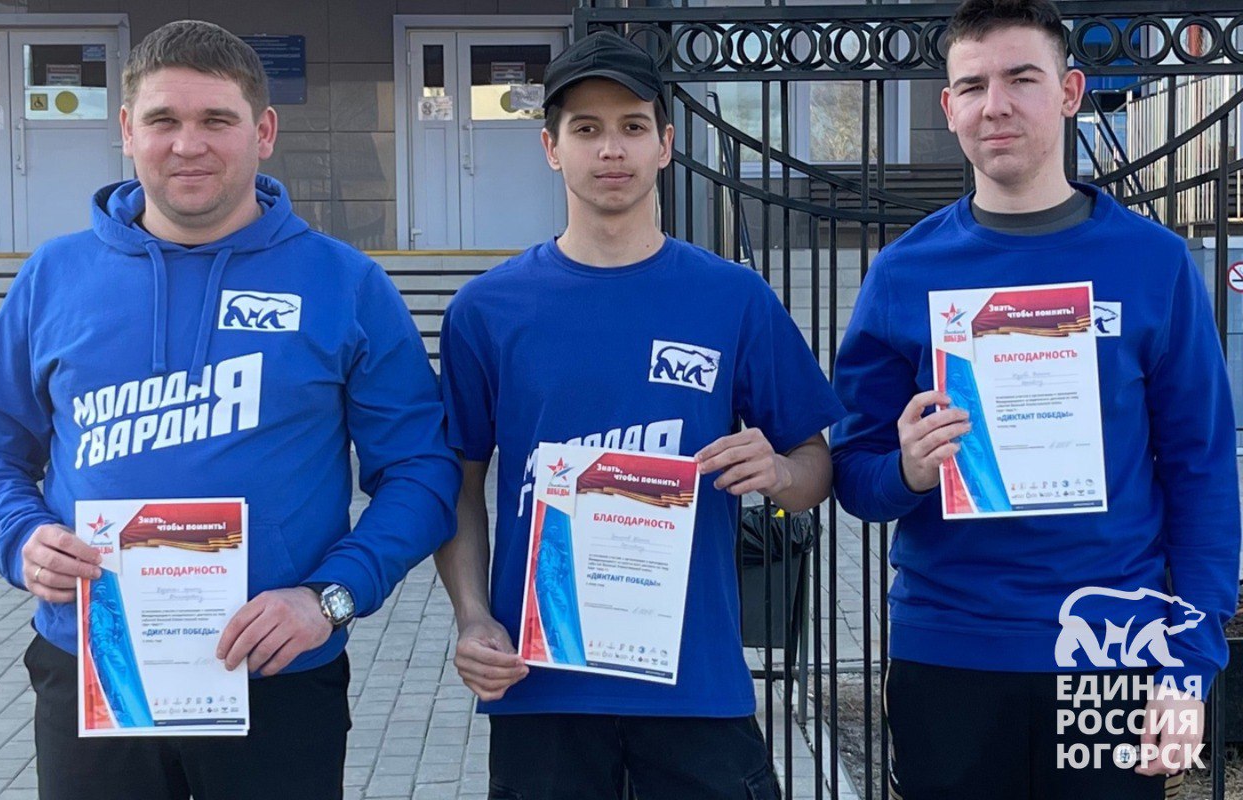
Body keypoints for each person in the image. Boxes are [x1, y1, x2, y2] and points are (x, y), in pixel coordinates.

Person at [0, 20, 460, 800]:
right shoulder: (54, 277)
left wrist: (330, 596)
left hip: (278, 672)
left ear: (263, 132)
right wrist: (19, 537)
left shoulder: (344, 284)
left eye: (215, 120)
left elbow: (423, 472)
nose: (187, 144)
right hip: (96, 669)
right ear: (127, 131)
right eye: (163, 119)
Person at [830, 0, 1241, 797]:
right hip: (949, 652)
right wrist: (906, 471)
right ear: (949, 107)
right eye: (973, 85)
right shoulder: (904, 273)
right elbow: (854, 474)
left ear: (1070, 91)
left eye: (1022, 78)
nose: (997, 105)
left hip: (1109, 653)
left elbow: (1202, 471)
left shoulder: (1153, 264)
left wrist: (1189, 664)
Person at [434, 30, 846, 800]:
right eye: (586, 129)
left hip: (695, 683)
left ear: (665, 144)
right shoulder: (487, 310)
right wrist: (472, 616)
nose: (610, 149)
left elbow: (816, 467)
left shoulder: (733, 299)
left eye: (631, 126)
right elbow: (456, 485)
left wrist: (779, 471)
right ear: (551, 147)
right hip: (542, 683)